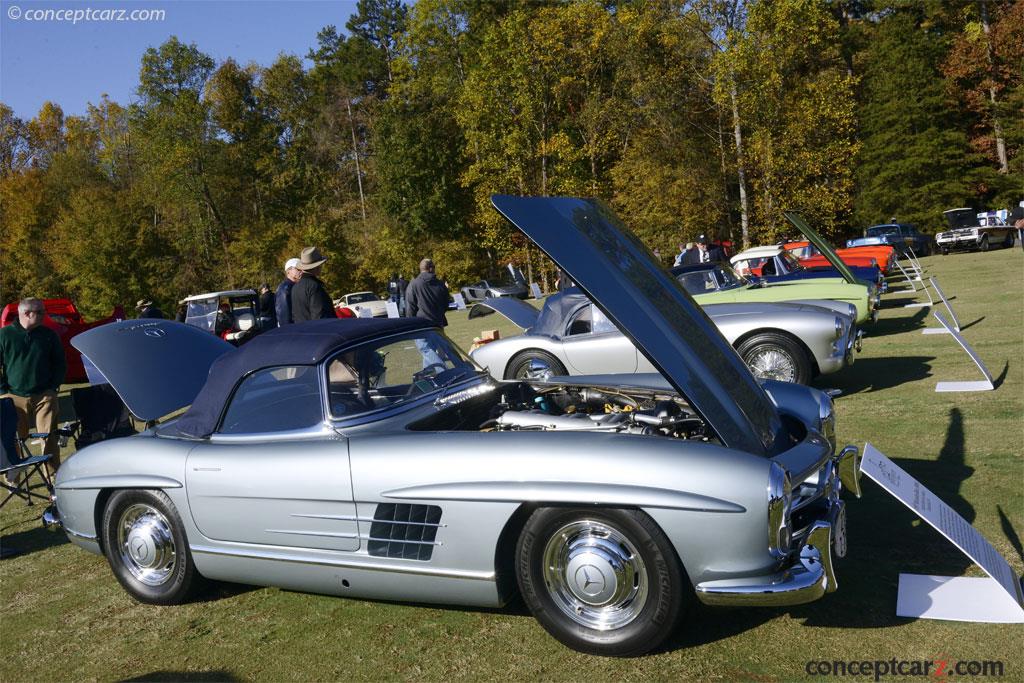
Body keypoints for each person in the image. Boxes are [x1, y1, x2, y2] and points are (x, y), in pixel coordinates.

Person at [0, 298, 67, 477]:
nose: (45, 315)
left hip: (45, 394)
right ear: (27, 314)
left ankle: (53, 477)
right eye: (41, 312)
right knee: (14, 438)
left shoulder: (49, 334)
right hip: (13, 396)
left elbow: (60, 363)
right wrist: (2, 391)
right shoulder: (4, 335)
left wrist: (53, 387)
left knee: (49, 436)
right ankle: (14, 476)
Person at [290, 247, 336, 322]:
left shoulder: (295, 287)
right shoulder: (314, 286)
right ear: (316, 267)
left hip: (302, 332)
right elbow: (319, 317)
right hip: (317, 331)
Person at [405, 258, 451, 327]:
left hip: (422, 324)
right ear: (430, 268)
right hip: (437, 323)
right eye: (434, 267)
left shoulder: (413, 284)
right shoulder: (440, 284)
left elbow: (410, 308)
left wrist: (411, 324)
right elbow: (446, 303)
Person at [275, 257, 302, 326]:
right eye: (298, 269)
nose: (301, 271)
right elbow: (284, 316)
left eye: (302, 269)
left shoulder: (295, 285)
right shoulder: (284, 288)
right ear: (288, 271)